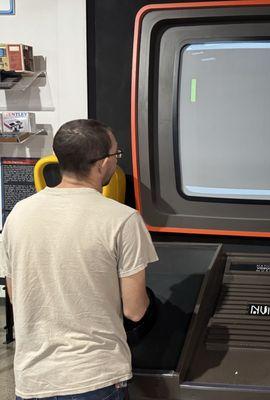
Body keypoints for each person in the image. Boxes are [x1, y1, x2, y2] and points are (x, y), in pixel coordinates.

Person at [0, 119, 159, 400]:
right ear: (101, 163)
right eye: (116, 154)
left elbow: (15, 295)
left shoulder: (18, 215)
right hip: (95, 378)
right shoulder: (123, 220)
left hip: (33, 381)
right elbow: (135, 310)